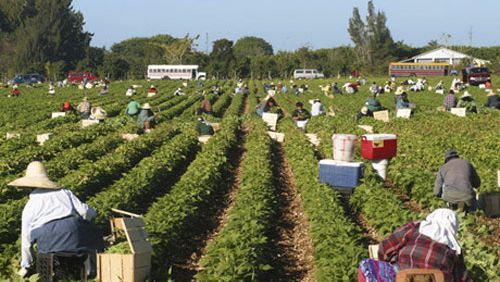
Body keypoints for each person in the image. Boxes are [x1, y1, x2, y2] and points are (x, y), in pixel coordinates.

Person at [8, 161, 104, 278]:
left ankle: (45, 276)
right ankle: (90, 272)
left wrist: (26, 265)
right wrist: (93, 214)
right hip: (72, 235)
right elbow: (85, 212)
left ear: (29, 188)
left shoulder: (30, 206)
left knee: (45, 272)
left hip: (47, 243)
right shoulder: (64, 192)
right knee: (88, 241)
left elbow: (26, 240)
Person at [358, 208, 471, 282]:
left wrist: (385, 262)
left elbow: (385, 247)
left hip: (403, 276)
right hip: (436, 278)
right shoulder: (453, 249)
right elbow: (463, 278)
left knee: (366, 266)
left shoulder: (416, 228)